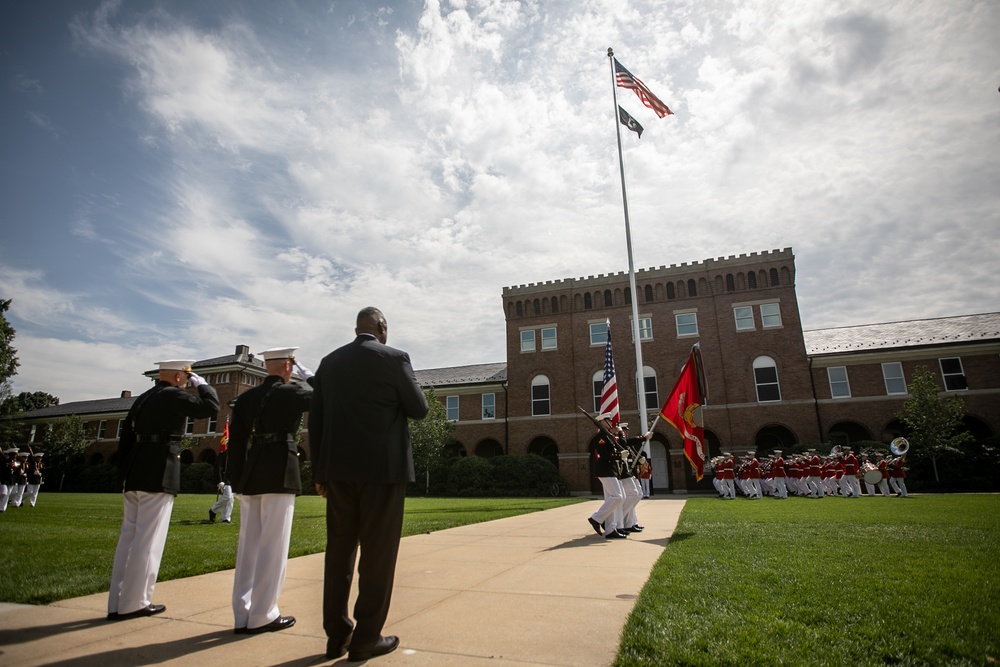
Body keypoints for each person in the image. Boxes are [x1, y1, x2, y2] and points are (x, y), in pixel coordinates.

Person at [309, 307, 429, 662]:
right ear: (382, 328)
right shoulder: (394, 359)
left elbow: (316, 420)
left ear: (357, 328)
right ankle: (366, 638)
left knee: (339, 552)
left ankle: (337, 634)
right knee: (377, 555)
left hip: (338, 473)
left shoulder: (329, 363)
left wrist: (319, 472)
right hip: (383, 471)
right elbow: (419, 408)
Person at [107, 360, 219, 621]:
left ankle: (118, 601)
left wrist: (123, 474)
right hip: (158, 469)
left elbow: (125, 439)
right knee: (149, 539)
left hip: (135, 471)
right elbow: (211, 407)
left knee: (129, 538)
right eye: (186, 376)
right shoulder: (173, 394)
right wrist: (201, 383)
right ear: (181, 375)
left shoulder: (143, 398)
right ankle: (135, 602)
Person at [227, 347, 315, 635]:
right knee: (273, 545)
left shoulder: (245, 399)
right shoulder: (292, 393)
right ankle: (264, 613)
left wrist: (236, 480)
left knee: (248, 545)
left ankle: (243, 613)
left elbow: (237, 443)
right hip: (279, 470)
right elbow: (324, 395)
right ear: (289, 367)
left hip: (251, 473)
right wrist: (310, 376)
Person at [586, 413, 627, 539]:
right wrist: (619, 456)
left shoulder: (608, 436)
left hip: (611, 470)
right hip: (605, 470)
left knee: (615, 498)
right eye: (608, 419)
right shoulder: (601, 436)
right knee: (618, 497)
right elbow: (604, 454)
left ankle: (610, 529)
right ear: (601, 421)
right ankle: (596, 518)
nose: (610, 421)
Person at [208, 440, 234, 524]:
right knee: (228, 496)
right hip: (224, 480)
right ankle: (213, 510)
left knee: (230, 500)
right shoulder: (223, 455)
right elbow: (217, 469)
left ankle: (226, 517)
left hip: (232, 480)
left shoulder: (235, 456)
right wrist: (219, 481)